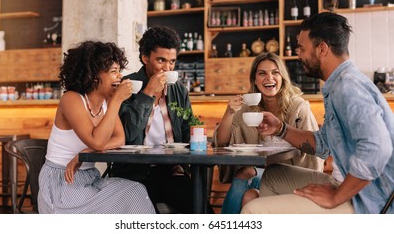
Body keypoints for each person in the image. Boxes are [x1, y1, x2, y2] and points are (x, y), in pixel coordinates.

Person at [241, 12, 394, 214]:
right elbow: (322, 143)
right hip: (351, 186)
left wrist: (335, 197)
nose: (299, 55)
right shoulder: (340, 83)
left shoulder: (348, 86)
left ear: (322, 49)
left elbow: (377, 148)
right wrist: (281, 129)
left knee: (253, 210)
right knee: (273, 174)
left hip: (369, 201)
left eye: (302, 49)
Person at [38, 41, 155, 214]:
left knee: (136, 191)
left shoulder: (106, 102)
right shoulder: (71, 99)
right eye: (113, 72)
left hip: (90, 178)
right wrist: (117, 100)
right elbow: (98, 142)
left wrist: (83, 154)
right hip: (62, 182)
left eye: (119, 71)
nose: (119, 77)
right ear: (93, 76)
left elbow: (119, 139)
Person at [110, 26, 207, 214]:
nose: (167, 68)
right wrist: (148, 93)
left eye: (172, 62)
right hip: (135, 172)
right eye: (161, 60)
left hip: (170, 171)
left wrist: (200, 137)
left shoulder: (178, 90)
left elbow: (188, 129)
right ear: (145, 58)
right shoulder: (127, 87)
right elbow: (127, 135)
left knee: (202, 210)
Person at [214, 52, 324, 214]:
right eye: (262, 73)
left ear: (282, 78)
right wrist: (229, 112)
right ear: (255, 80)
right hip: (262, 176)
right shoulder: (248, 108)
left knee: (246, 173)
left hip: (293, 177)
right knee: (250, 195)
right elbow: (222, 142)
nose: (269, 78)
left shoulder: (298, 107)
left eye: (275, 72)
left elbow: (313, 153)